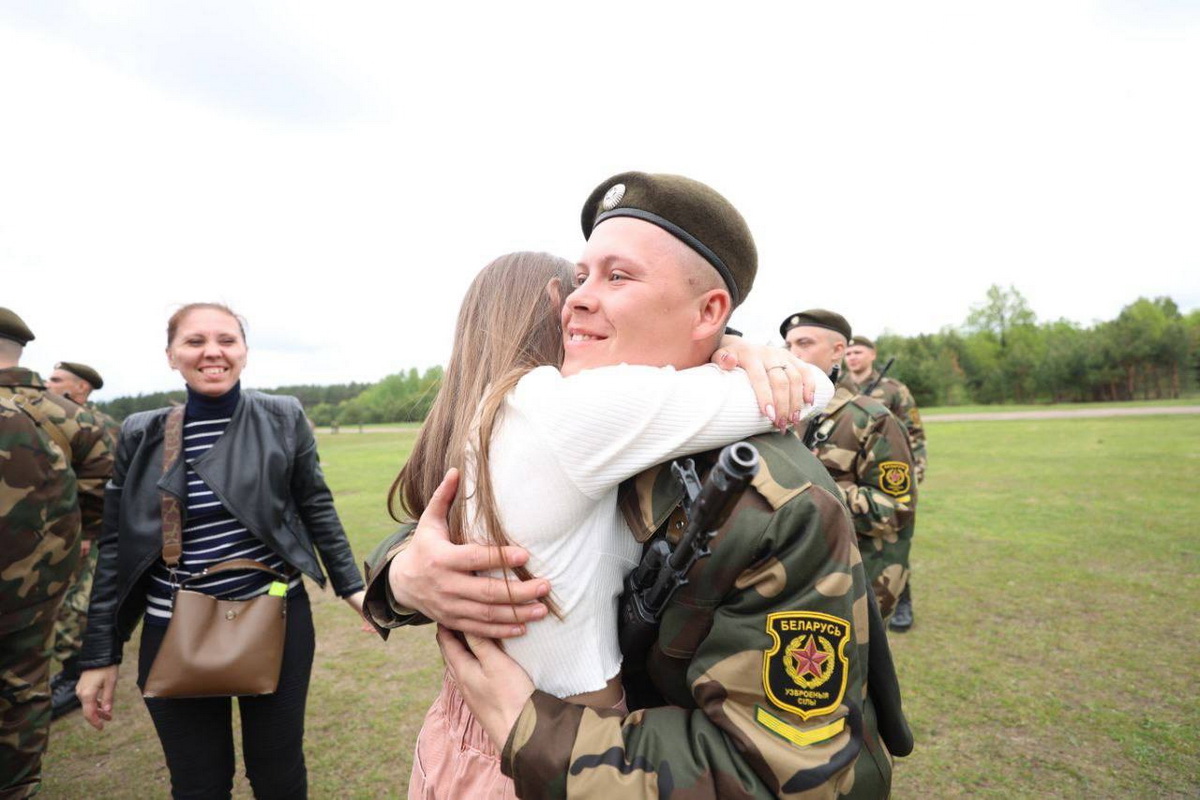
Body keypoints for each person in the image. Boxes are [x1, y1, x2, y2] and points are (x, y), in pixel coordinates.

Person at [367, 172, 909, 798]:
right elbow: (463, 524)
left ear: (710, 311)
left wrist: (534, 733)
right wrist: (405, 572)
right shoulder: (579, 417)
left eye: (616, 277)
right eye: (580, 278)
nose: (575, 300)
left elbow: (788, 777)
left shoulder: (775, 501)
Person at [75, 302, 366, 799]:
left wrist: (353, 587)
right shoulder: (141, 433)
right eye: (194, 341)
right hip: (173, 627)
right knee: (198, 783)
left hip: (275, 619)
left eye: (227, 340)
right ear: (171, 355)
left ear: (245, 353)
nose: (213, 352)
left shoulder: (283, 416)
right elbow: (118, 546)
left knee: (278, 775)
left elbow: (314, 503)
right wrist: (100, 655)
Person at [0, 308, 113, 799]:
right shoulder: (71, 417)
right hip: (39, 582)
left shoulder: (67, 415)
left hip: (38, 581)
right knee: (23, 689)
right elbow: (100, 493)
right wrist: (73, 541)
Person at [783, 311, 917, 623]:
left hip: (851, 578)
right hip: (792, 574)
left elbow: (896, 509)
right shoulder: (781, 413)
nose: (793, 353)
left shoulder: (870, 418)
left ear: (838, 351)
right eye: (788, 345)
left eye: (804, 343)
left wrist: (818, 487)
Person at [45, 361, 121, 718]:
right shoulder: (50, 418)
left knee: (75, 605)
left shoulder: (100, 426)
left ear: (80, 388)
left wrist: (89, 531)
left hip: (92, 531)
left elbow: (110, 482)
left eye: (57, 379)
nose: (47, 383)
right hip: (61, 530)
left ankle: (76, 674)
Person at [840, 336, 926, 632]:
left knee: (891, 544)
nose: (852, 357)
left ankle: (902, 599)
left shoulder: (893, 390)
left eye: (858, 352)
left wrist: (915, 474)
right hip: (851, 478)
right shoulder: (839, 388)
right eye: (848, 352)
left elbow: (913, 433)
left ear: (872, 354)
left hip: (888, 477)